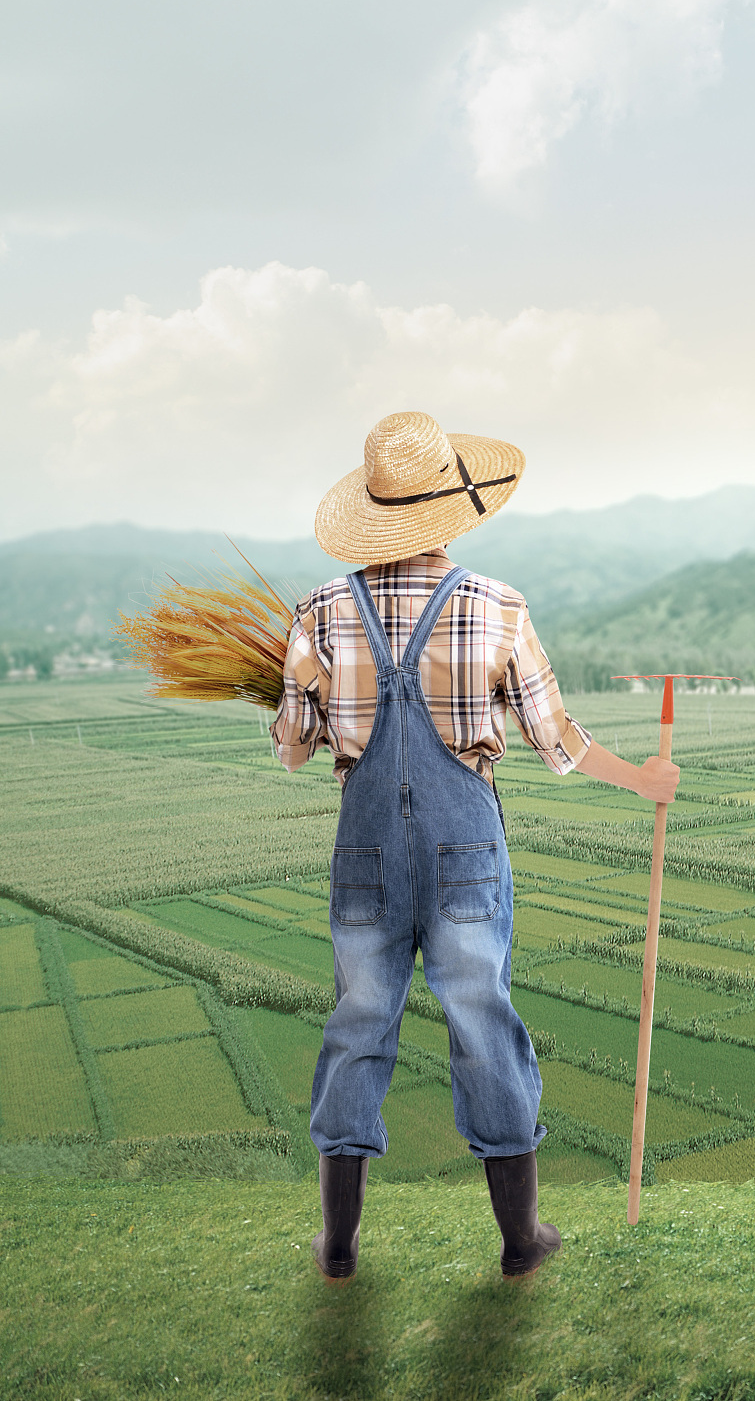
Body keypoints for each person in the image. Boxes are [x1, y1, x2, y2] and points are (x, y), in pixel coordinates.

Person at [272, 410, 678, 1284]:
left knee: (357, 1027)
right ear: (451, 510)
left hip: (363, 858)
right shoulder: (497, 606)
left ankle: (338, 1247)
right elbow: (556, 738)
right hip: (467, 854)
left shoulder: (320, 611)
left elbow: (293, 748)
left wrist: (304, 696)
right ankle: (519, 1240)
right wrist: (643, 781)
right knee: (482, 1020)